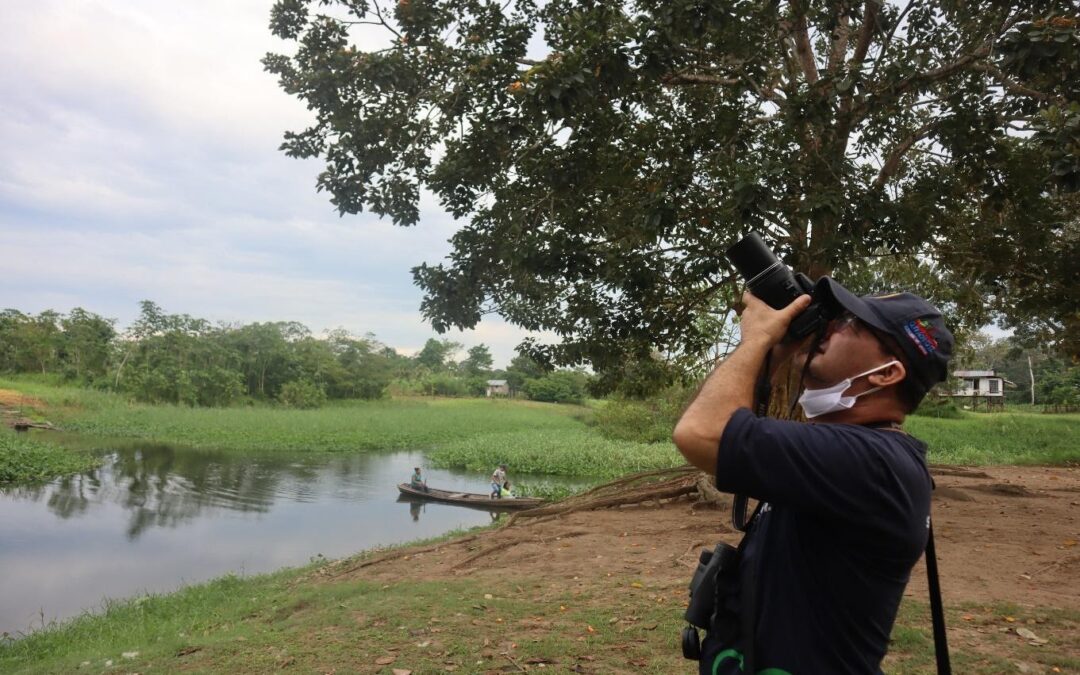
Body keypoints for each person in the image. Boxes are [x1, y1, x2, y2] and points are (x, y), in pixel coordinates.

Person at [672, 278, 953, 675]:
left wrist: (759, 341)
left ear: (886, 374)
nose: (829, 328)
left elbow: (701, 431)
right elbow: (717, 417)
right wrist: (774, 354)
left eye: (851, 325)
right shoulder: (853, 452)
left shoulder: (871, 462)